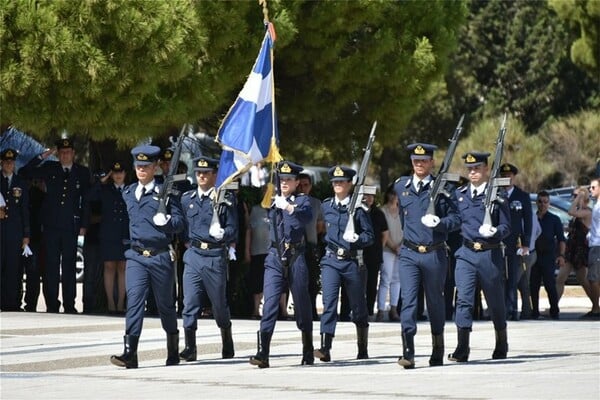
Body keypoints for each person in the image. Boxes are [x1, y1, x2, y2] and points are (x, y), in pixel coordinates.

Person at [110, 145, 184, 369]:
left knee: (165, 306)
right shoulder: (128, 192)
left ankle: (173, 348)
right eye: (138, 166)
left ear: (155, 168)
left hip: (160, 256)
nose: (141, 169)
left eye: (146, 166)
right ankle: (130, 352)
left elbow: (180, 224)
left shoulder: (167, 193)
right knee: (134, 301)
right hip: (136, 256)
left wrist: (168, 221)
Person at [394, 143, 461, 369]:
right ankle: (408, 351)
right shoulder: (401, 187)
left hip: (434, 253)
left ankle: (437, 348)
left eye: (423, 161)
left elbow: (456, 219)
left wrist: (440, 224)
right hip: (409, 253)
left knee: (435, 302)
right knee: (409, 302)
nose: (419, 164)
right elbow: (404, 221)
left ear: (431, 162)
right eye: (415, 161)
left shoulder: (444, 188)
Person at [249, 161, 314, 368]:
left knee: (302, 303)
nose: (285, 182)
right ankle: (263, 352)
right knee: (269, 304)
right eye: (282, 179)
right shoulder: (272, 200)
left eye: (289, 179)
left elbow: (304, 219)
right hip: (275, 256)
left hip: (296, 255)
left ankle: (308, 348)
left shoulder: (302, 202)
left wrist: (289, 208)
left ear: (296, 182)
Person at [448, 151, 511, 363]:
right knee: (463, 300)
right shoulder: (461, 194)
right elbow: (455, 219)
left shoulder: (497, 195)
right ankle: (462, 347)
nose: (473, 172)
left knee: (495, 302)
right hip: (466, 253)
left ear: (486, 169)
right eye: (470, 169)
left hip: (489, 254)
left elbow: (507, 226)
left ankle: (501, 342)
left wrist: (496, 232)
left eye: (477, 168)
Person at [20, 138, 91, 313]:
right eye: (62, 152)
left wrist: (84, 223)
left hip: (70, 226)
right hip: (51, 225)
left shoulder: (82, 172)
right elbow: (24, 172)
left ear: (73, 153)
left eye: (68, 152)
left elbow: (86, 200)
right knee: (51, 266)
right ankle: (52, 304)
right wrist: (43, 155)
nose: (65, 155)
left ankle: (69, 304)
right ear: (58, 154)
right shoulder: (50, 168)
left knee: (68, 266)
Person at [178, 156, 238, 362]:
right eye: (198, 173)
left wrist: (224, 233)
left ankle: (226, 336)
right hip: (194, 255)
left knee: (219, 305)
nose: (201, 176)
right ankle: (189, 347)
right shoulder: (187, 199)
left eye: (206, 173)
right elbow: (183, 225)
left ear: (214, 175)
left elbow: (233, 227)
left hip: (214, 256)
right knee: (190, 301)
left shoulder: (225, 199)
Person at [313, 165, 374, 363]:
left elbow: (370, 236)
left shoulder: (359, 209)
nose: (337, 185)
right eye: (335, 182)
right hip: (331, 260)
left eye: (341, 182)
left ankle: (362, 347)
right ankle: (325, 347)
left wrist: (357, 238)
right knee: (329, 303)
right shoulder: (327, 206)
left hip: (352, 261)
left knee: (358, 306)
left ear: (350, 184)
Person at [87, 162, 130, 314]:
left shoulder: (131, 190)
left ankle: (120, 303)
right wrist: (102, 181)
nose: (118, 175)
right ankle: (111, 303)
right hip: (108, 234)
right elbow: (90, 196)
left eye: (121, 172)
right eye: (115, 172)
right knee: (109, 267)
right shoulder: (105, 189)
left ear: (125, 174)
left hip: (125, 234)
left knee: (123, 268)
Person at [499, 163, 533, 321]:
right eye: (504, 176)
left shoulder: (522, 196)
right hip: (498, 241)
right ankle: (501, 309)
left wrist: (526, 243)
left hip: (515, 242)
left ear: (513, 177)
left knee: (512, 277)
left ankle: (512, 309)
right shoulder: (496, 194)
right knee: (499, 276)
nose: (507, 178)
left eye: (509, 176)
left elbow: (528, 221)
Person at [0, 148, 30, 311]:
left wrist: (26, 234)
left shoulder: (20, 183)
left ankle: (11, 302)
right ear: (2, 163)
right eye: (6, 162)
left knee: (13, 267)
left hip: (14, 232)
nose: (9, 164)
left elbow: (24, 209)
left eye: (11, 162)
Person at [530, 191, 565, 320]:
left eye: (545, 202)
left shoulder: (554, 219)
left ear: (549, 203)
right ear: (537, 202)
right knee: (533, 285)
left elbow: (561, 239)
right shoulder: (532, 218)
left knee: (550, 285)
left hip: (548, 257)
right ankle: (534, 312)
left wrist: (561, 255)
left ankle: (554, 311)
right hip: (534, 256)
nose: (542, 204)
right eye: (540, 201)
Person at [557, 186, 592, 306]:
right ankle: (554, 306)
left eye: (576, 196)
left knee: (583, 280)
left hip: (580, 249)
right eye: (574, 196)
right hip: (571, 248)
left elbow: (570, 211)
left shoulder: (587, 212)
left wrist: (580, 197)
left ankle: (596, 306)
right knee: (560, 278)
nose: (574, 199)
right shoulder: (578, 211)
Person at [297, 172, 325, 321]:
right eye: (300, 185)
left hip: (311, 246)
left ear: (311, 186)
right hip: (296, 247)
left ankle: (312, 309)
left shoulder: (316, 203)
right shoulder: (291, 201)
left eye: (306, 185)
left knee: (312, 281)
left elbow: (321, 226)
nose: (302, 188)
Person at [245, 186, 271, 319]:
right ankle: (256, 310)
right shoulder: (255, 210)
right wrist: (247, 250)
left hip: (275, 252)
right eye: (266, 192)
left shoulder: (280, 208)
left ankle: (281, 310)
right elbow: (249, 231)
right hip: (258, 250)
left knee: (278, 282)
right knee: (257, 281)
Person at [377, 185, 400, 322]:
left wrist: (401, 247)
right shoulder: (382, 211)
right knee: (386, 279)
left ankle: (394, 309)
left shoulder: (402, 211)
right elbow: (384, 232)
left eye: (396, 194)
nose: (394, 196)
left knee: (397, 280)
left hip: (401, 249)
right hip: (387, 249)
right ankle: (380, 309)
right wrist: (393, 246)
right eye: (392, 193)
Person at [585, 178, 600, 318]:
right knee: (593, 278)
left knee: (594, 278)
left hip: (598, 245)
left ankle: (596, 309)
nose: (591, 189)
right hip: (594, 243)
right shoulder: (596, 205)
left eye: (593, 187)